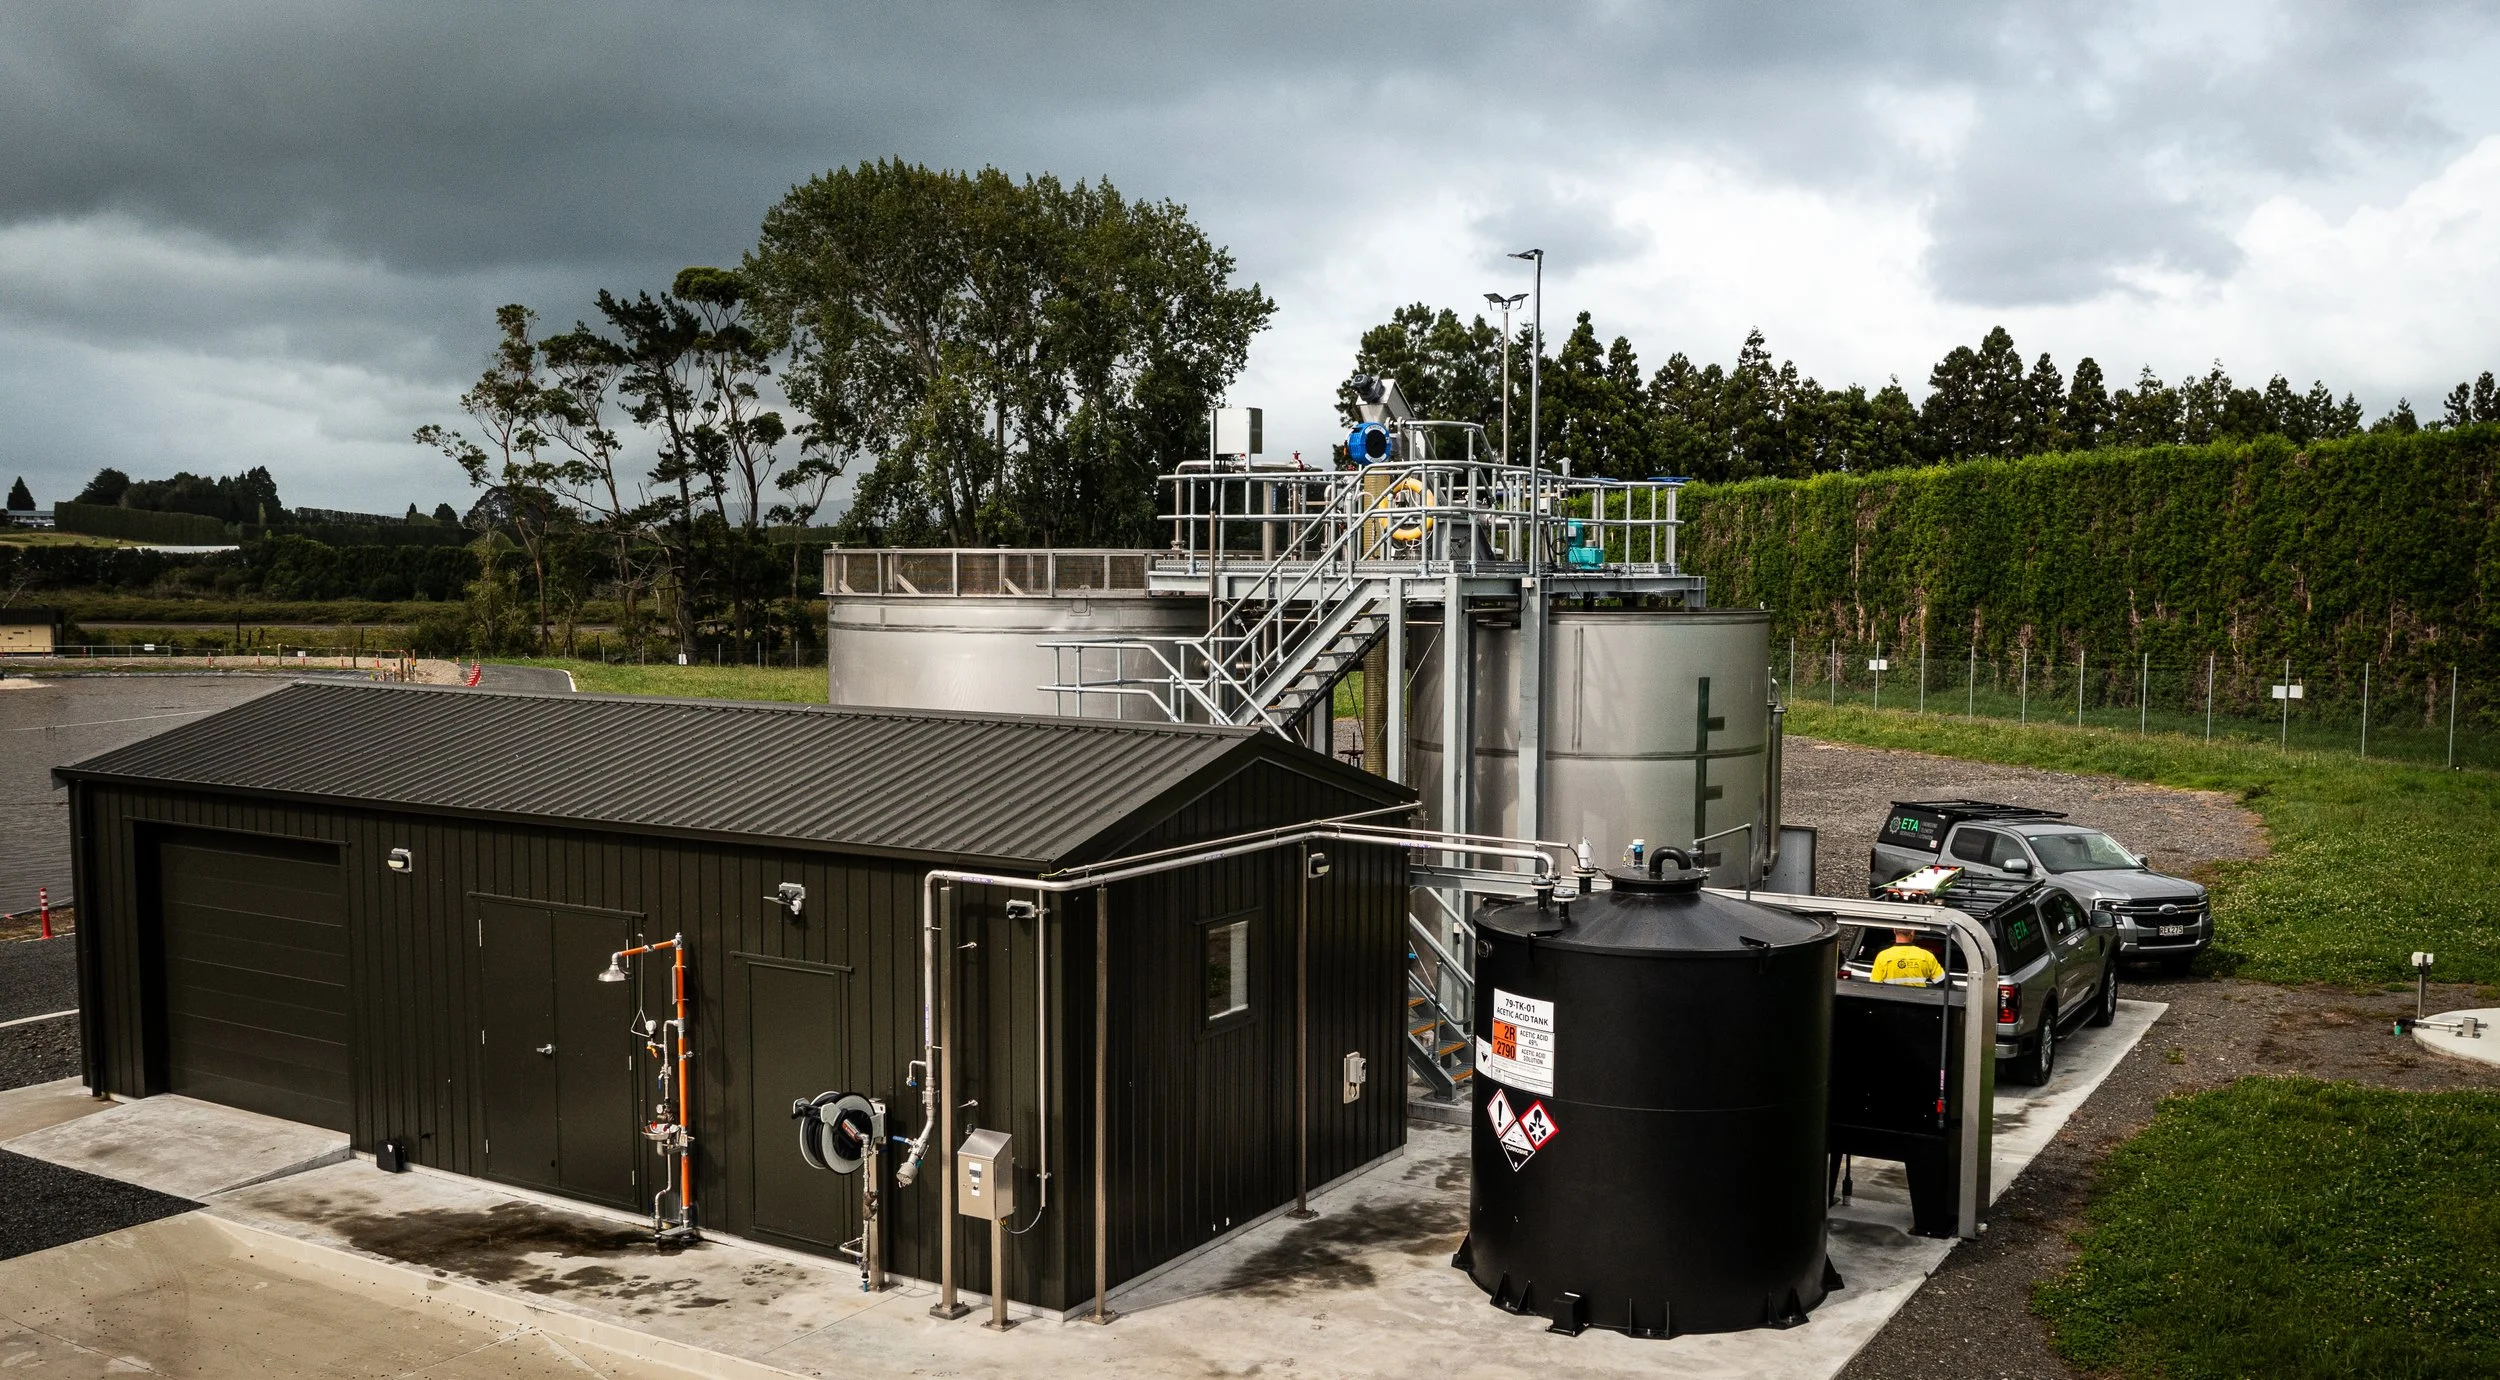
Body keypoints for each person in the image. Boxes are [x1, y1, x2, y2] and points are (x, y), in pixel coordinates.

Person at [1870, 928, 1945, 985]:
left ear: (1894, 930)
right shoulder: (1926, 956)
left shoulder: (1883, 956)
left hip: (1892, 1002)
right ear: (1912, 932)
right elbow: (1943, 982)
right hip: (1919, 1001)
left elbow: (1875, 985)